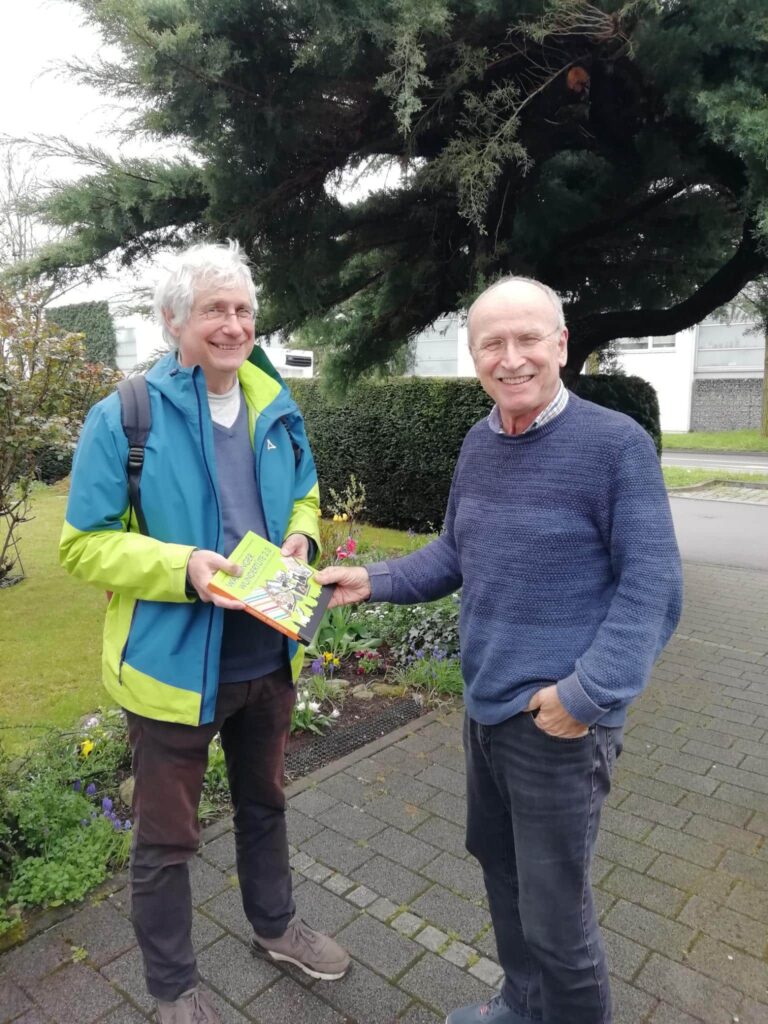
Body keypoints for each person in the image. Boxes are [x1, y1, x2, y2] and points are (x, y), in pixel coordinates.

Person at [316, 276, 683, 1024]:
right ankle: (521, 1005)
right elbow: (456, 552)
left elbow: (653, 590)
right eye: (493, 343)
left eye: (527, 340)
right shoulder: (479, 444)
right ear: (475, 353)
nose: (511, 358)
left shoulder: (616, 447)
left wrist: (583, 698)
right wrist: (372, 578)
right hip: (484, 710)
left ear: (560, 345)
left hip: (558, 725)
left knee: (557, 913)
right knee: (501, 873)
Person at [60, 242, 350, 1024]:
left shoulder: (274, 403)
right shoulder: (125, 415)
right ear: (173, 320)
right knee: (165, 842)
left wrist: (302, 541)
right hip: (173, 667)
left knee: (266, 805)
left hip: (269, 653)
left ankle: (276, 926)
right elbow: (82, 543)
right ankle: (173, 990)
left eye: (244, 310)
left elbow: (306, 495)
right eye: (215, 310)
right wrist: (183, 564)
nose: (233, 325)